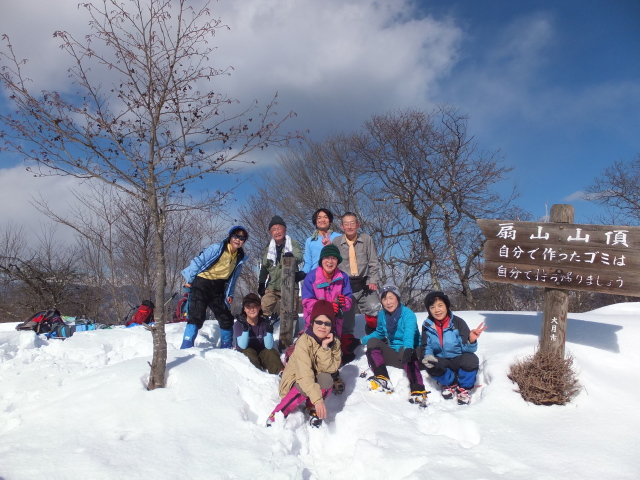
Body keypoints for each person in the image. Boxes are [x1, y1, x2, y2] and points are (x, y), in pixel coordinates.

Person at [266, 300, 342, 428]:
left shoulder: (334, 342)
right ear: (312, 322)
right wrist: (318, 400)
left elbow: (331, 369)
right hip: (295, 381)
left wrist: (325, 348)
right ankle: (277, 414)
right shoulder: (304, 342)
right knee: (303, 384)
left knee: (327, 379)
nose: (322, 326)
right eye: (319, 322)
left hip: (312, 381)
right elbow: (305, 375)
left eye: (327, 323)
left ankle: (311, 406)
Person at [180, 226, 248, 349]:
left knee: (225, 317)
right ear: (230, 236)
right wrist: (190, 280)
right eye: (235, 236)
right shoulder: (217, 248)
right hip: (202, 282)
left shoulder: (239, 258)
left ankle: (226, 346)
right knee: (196, 315)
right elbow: (197, 262)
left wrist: (230, 294)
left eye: (242, 238)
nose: (238, 240)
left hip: (218, 287)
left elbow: (233, 279)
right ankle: (186, 346)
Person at [361, 284, 428, 407]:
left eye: (391, 298)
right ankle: (382, 378)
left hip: (412, 354)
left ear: (397, 298)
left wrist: (408, 348)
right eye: (384, 299)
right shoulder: (382, 315)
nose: (388, 302)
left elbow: (409, 334)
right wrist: (361, 341)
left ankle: (418, 388)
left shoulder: (408, 314)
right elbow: (379, 333)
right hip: (396, 354)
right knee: (373, 342)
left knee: (404, 349)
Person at [421, 291, 487, 405]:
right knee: (431, 364)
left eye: (440, 305)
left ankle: (464, 388)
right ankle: (450, 383)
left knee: (471, 359)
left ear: (446, 306)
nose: (437, 310)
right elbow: (426, 345)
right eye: (432, 307)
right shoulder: (427, 326)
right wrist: (428, 356)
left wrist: (471, 340)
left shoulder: (458, 323)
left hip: (458, 358)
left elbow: (468, 350)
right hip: (442, 360)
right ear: (429, 310)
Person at [332, 212, 381, 356]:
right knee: (345, 316)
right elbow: (332, 264)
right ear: (342, 226)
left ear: (358, 225)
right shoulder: (336, 242)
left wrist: (373, 280)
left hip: (364, 284)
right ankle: (347, 345)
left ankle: (374, 337)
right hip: (345, 285)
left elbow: (373, 262)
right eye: (346, 224)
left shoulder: (366, 239)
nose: (349, 226)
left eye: (352, 223)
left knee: (375, 309)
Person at [258, 215, 303, 316]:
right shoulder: (268, 247)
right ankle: (266, 326)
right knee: (262, 310)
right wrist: (261, 283)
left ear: (285, 229)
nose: (277, 232)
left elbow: (299, 257)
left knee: (290, 315)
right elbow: (264, 267)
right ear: (271, 232)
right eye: (274, 229)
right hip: (272, 286)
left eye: (279, 228)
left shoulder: (293, 244)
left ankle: (292, 326)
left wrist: (291, 257)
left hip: (290, 285)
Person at [233, 293, 284, 374]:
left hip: (261, 354)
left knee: (271, 352)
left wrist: (269, 330)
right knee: (248, 351)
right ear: (244, 309)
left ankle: (280, 373)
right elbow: (243, 346)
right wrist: (245, 329)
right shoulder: (239, 324)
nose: (252, 309)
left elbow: (269, 346)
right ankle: (256, 375)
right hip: (246, 354)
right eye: (248, 307)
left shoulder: (264, 322)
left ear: (260, 307)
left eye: (255, 306)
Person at [302, 208, 341, 274]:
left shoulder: (339, 237)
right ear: (315, 222)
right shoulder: (310, 241)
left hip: (336, 275)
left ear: (330, 221)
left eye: (325, 217)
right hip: (315, 276)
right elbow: (308, 263)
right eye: (319, 218)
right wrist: (302, 274)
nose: (322, 220)